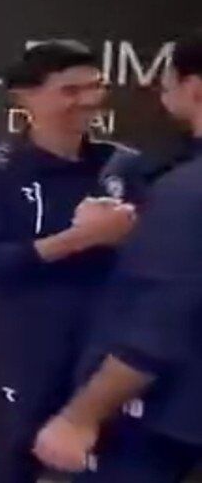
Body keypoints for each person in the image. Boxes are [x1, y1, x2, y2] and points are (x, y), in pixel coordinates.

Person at [0, 41, 141, 483]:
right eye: (70, 91)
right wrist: (77, 239)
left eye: (95, 87)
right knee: (15, 459)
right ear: (25, 97)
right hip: (31, 345)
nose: (88, 101)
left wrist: (130, 230)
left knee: (115, 459)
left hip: (110, 346)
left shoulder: (123, 165)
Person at [34, 31, 202, 482]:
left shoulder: (187, 191)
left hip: (167, 421)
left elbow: (159, 324)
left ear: (193, 88)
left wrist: (80, 416)